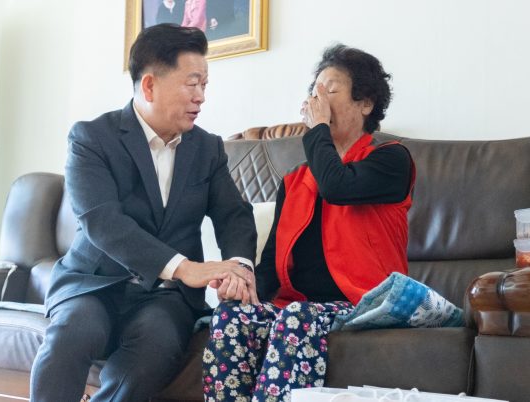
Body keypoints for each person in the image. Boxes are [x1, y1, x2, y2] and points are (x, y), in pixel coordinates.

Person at [30, 23, 258, 402]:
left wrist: (239, 267)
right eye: (192, 83)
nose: (201, 97)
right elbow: (103, 222)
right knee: (73, 332)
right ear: (149, 85)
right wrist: (186, 268)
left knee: (157, 344)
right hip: (94, 282)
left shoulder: (208, 149)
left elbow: (233, 215)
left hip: (165, 298)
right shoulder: (92, 138)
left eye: (205, 85)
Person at [203, 44, 415, 402]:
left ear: (365, 103)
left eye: (329, 91)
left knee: (298, 316)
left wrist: (317, 129)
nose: (318, 101)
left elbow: (337, 186)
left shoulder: (391, 159)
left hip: (366, 303)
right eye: (314, 93)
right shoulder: (294, 182)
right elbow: (273, 263)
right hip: (298, 305)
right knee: (231, 317)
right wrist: (244, 287)